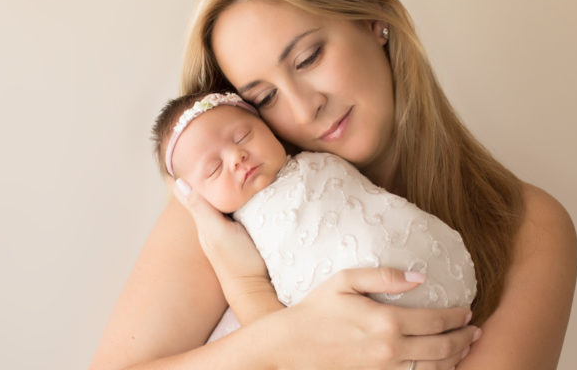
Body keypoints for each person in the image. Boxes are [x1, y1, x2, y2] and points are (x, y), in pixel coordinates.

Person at [70, 0, 577, 370]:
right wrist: (284, 337)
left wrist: (257, 303)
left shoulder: (525, 226)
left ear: (374, 19)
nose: (304, 106)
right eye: (261, 97)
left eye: (308, 57)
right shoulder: (232, 202)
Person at [151, 89, 476, 315]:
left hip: (419, 256)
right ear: (195, 196)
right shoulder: (235, 237)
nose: (237, 157)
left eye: (242, 136)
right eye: (214, 168)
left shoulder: (318, 158)